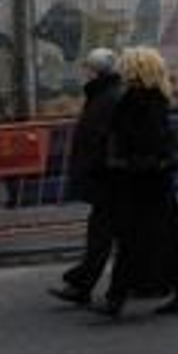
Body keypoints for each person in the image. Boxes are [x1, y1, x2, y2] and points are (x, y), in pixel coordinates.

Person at [97, 47, 178, 318]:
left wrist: (128, 163)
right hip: (153, 181)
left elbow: (148, 144)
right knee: (162, 241)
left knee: (133, 239)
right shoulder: (154, 99)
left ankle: (116, 298)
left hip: (143, 181)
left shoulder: (139, 101)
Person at [48, 48, 123, 305]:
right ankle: (85, 284)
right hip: (108, 178)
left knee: (104, 235)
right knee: (108, 234)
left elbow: (104, 141)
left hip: (109, 179)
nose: (83, 74)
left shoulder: (107, 98)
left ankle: (87, 285)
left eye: (87, 69)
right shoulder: (103, 96)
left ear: (94, 72)